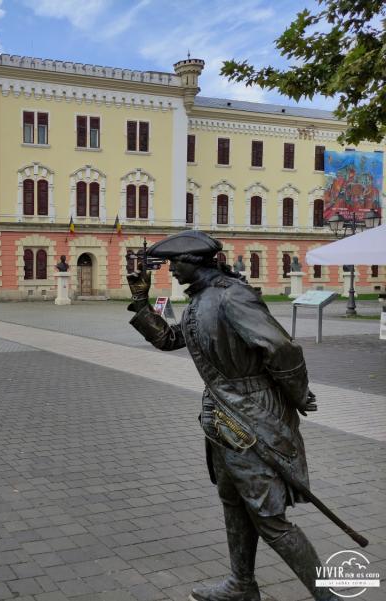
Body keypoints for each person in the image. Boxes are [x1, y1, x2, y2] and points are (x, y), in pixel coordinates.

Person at [126, 230, 333, 601]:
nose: (170, 270)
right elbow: (170, 339)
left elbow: (282, 349)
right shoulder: (200, 301)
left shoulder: (231, 297)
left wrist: (297, 394)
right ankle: (241, 584)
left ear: (192, 262)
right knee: (233, 500)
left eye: (175, 263)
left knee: (269, 518)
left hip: (253, 416)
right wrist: (141, 301)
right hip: (223, 418)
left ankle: (330, 596)